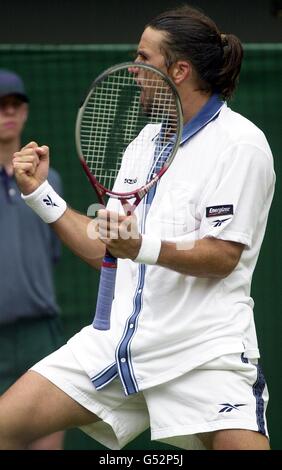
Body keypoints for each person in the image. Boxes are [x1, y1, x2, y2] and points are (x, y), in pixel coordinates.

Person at [0, 5, 275, 450]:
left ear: (180, 70)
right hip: (115, 347)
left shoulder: (242, 144)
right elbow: (108, 255)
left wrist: (141, 247)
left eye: (143, 58)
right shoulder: (143, 145)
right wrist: (40, 196)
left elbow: (223, 257)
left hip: (203, 356)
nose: (133, 69)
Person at [0, 69, 65, 450]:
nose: (9, 112)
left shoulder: (48, 179)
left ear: (24, 112)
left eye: (16, 104)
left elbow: (53, 252)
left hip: (41, 335)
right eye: (0, 105)